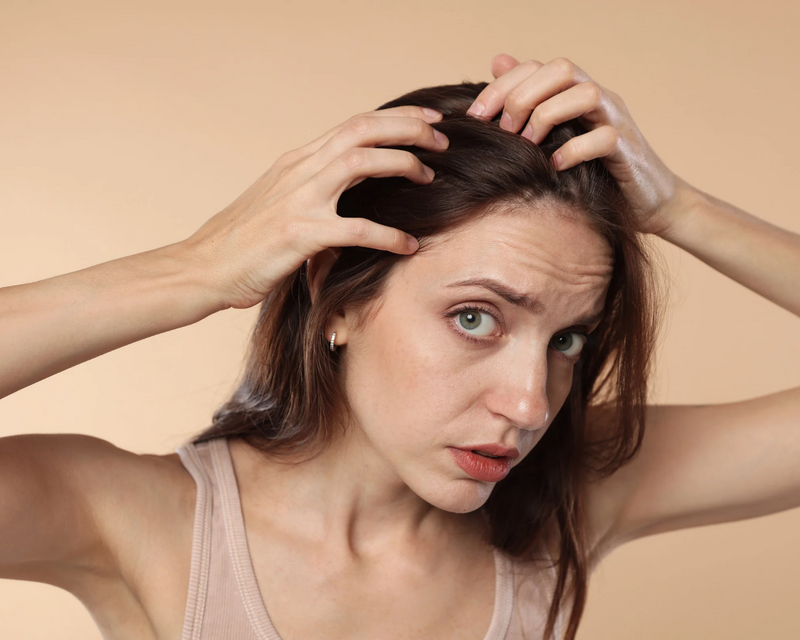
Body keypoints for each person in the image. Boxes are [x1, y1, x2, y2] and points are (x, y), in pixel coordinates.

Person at [0, 53, 798, 640]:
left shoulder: (567, 500)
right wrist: (198, 268)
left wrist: (682, 210)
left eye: (566, 338)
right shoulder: (137, 521)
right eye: (476, 318)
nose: (529, 404)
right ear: (337, 299)